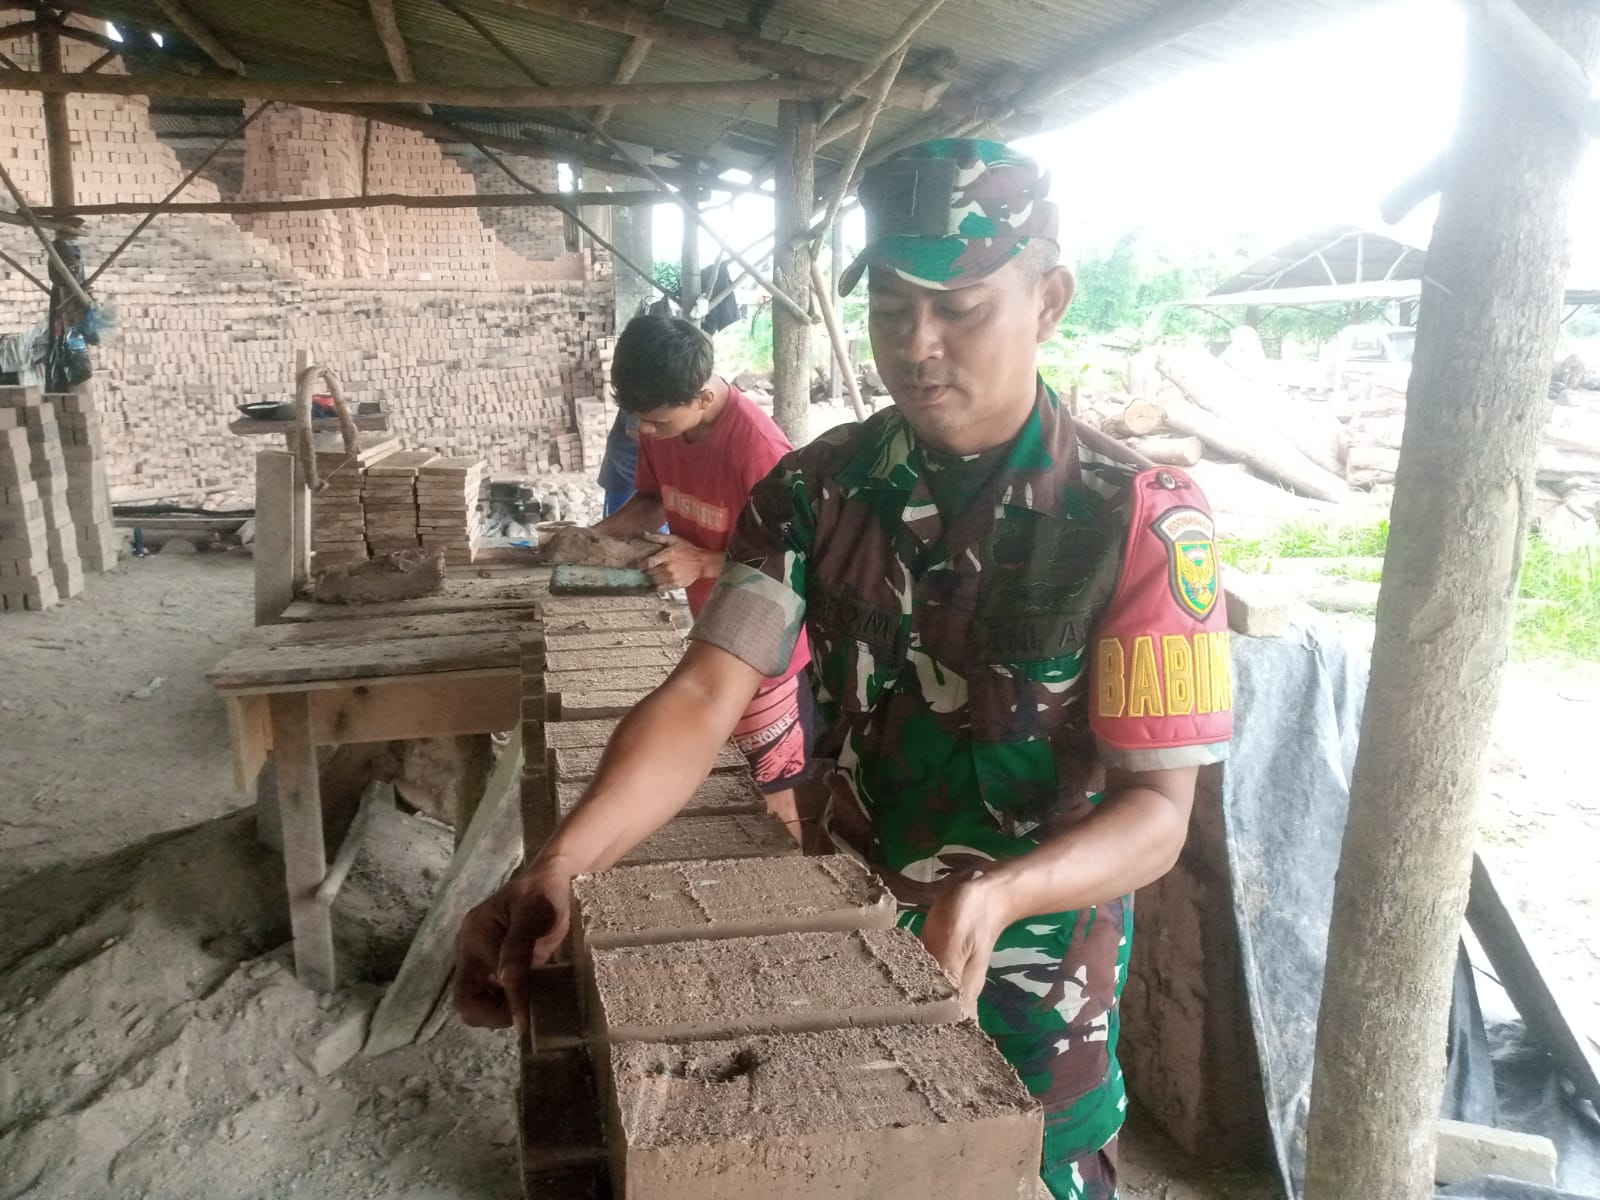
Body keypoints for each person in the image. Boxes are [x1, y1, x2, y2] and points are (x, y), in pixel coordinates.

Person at [456, 139, 1233, 1200]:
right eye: (890, 307)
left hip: (1036, 974)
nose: (916, 344)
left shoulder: (1137, 518)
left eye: (958, 306)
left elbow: (1158, 813)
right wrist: (561, 862)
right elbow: (703, 694)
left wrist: (1001, 894)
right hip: (848, 939)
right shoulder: (814, 493)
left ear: (1046, 300)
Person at [589, 313, 817, 837]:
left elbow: (797, 562)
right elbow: (650, 498)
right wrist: (590, 540)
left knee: (778, 792)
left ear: (704, 398)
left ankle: (803, 900)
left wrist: (701, 562)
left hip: (766, 649)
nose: (645, 432)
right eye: (638, 419)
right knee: (728, 768)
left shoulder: (760, 451)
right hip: (711, 634)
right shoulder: (658, 423)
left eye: (658, 422)